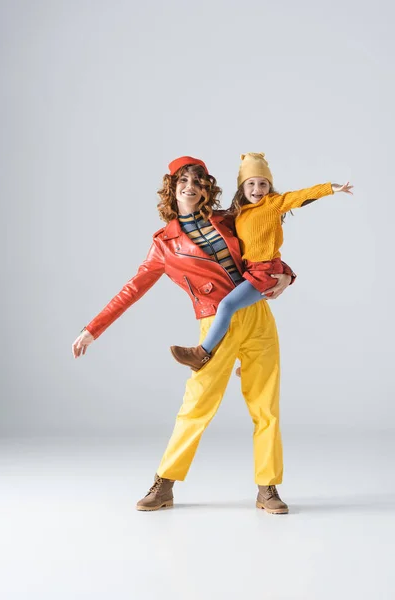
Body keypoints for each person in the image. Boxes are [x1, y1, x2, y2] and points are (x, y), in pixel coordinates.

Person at [72, 156, 296, 514]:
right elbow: (132, 289)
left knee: (266, 407)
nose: (190, 187)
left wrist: (287, 274)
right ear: (172, 190)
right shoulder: (164, 245)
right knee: (196, 407)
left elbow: (263, 249)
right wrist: (92, 329)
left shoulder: (228, 219)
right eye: (183, 182)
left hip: (258, 316)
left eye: (197, 181)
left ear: (206, 188)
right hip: (216, 324)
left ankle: (267, 488)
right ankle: (164, 484)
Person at [171, 152, 353, 373]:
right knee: (239, 314)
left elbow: (299, 196)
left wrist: (330, 188)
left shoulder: (272, 204)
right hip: (251, 272)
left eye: (263, 184)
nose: (258, 189)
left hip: (265, 271)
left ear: (270, 187)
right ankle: (247, 363)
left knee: (227, 306)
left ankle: (201, 354)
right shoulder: (238, 213)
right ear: (242, 188)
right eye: (251, 184)